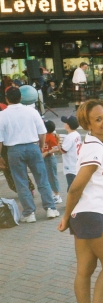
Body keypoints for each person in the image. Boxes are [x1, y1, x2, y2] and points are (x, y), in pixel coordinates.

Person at [57, 99, 103, 303]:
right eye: (98, 119)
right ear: (88, 125)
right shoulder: (95, 149)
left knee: (85, 269)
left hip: (82, 214)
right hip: (93, 214)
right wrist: (65, 216)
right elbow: (76, 186)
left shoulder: (95, 145)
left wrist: (70, 216)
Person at [0, 86, 59, 223]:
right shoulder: (32, 111)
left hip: (14, 150)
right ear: (21, 97)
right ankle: (50, 208)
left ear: (6, 98)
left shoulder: (2, 115)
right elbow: (42, 132)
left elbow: (0, 139)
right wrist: (40, 146)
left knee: (21, 182)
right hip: (32, 146)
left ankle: (29, 213)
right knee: (42, 179)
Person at [60, 115, 81, 191]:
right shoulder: (77, 134)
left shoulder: (69, 137)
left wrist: (58, 144)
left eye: (65, 123)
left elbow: (63, 150)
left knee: (72, 188)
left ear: (68, 125)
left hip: (70, 166)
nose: (64, 124)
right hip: (76, 163)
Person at [43, 120, 62, 204]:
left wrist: (48, 152)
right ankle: (54, 193)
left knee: (52, 177)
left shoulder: (50, 136)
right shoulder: (44, 135)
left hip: (49, 159)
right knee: (48, 177)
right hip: (45, 159)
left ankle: (57, 195)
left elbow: (56, 148)